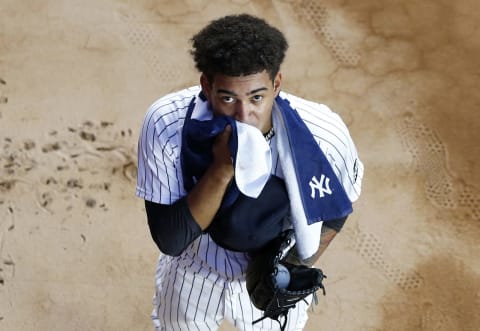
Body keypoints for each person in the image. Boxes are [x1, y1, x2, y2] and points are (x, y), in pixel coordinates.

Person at [136, 13, 363, 331]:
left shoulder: (323, 133)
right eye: (228, 98)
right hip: (196, 258)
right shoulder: (167, 123)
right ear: (206, 86)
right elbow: (171, 239)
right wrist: (222, 168)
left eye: (257, 97)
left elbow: (337, 208)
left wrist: (293, 263)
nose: (244, 115)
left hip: (272, 257)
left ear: (277, 84)